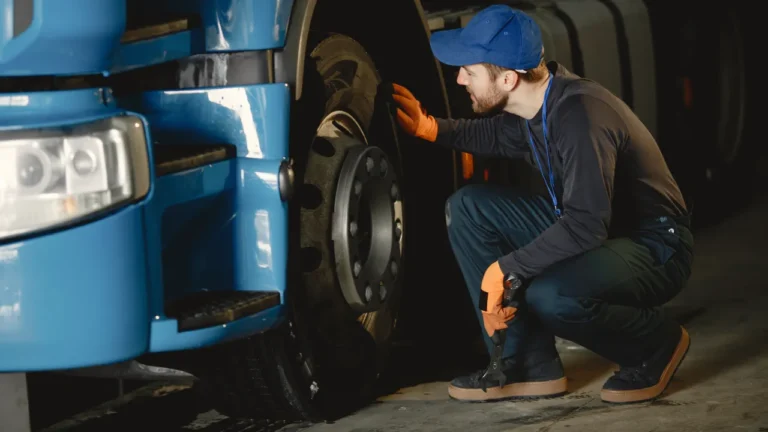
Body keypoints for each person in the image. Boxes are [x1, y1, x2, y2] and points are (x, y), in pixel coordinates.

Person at [389, 4, 694, 404]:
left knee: (551, 296)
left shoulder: (581, 116)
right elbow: (492, 136)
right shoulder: (534, 109)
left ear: (509, 78)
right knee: (468, 209)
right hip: (599, 232)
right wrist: (430, 128)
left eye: (470, 70)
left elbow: (585, 225)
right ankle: (528, 364)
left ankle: (655, 344)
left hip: (656, 245)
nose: (460, 78)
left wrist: (503, 269)